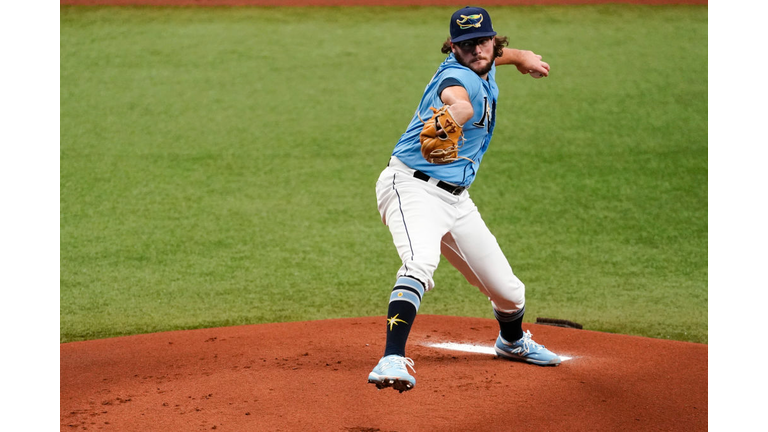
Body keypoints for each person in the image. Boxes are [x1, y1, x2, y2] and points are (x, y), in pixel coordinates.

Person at [367, 6, 561, 393]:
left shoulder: (484, 62)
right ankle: (391, 356)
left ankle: (511, 342)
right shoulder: (457, 76)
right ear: (452, 48)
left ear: (494, 39)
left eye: (483, 41)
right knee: (421, 262)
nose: (477, 50)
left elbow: (493, 59)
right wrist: (458, 110)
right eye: (466, 44)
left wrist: (520, 57)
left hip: (457, 201)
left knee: (509, 292)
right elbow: (456, 96)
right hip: (411, 187)